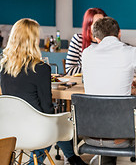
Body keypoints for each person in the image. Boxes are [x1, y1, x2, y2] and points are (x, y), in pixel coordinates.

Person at [0, 18, 87, 165]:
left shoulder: (4, 67)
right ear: (33, 40)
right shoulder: (40, 68)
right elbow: (47, 108)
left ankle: (73, 159)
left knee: (56, 125)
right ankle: (35, 163)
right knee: (61, 121)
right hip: (35, 131)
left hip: (10, 130)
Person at [82, 17, 136, 165]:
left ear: (95, 38)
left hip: (90, 134)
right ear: (119, 33)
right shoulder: (131, 52)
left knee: (109, 128)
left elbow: (105, 83)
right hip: (121, 135)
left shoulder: (87, 53)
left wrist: (133, 91)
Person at [65, 8, 107, 75]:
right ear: (88, 25)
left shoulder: (109, 41)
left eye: (103, 23)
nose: (101, 26)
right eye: (97, 23)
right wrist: (96, 70)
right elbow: (70, 69)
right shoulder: (78, 39)